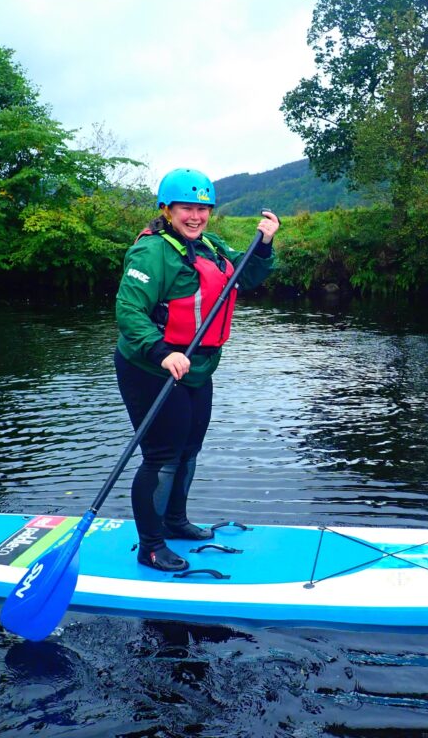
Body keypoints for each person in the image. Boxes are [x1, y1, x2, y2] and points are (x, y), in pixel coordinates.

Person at [114, 168, 279, 572]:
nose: (196, 216)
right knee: (162, 456)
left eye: (202, 209)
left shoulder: (209, 245)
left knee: (189, 450)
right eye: (187, 208)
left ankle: (174, 522)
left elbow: (246, 276)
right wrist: (160, 351)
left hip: (199, 366)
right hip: (151, 368)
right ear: (166, 209)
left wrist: (264, 244)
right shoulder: (151, 253)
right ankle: (151, 546)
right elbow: (129, 312)